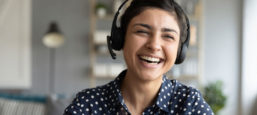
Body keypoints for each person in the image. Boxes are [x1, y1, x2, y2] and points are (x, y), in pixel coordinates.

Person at [64, 0, 213, 114]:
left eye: (168, 36)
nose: (154, 45)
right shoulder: (87, 105)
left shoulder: (190, 104)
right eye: (142, 32)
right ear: (121, 39)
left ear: (180, 50)